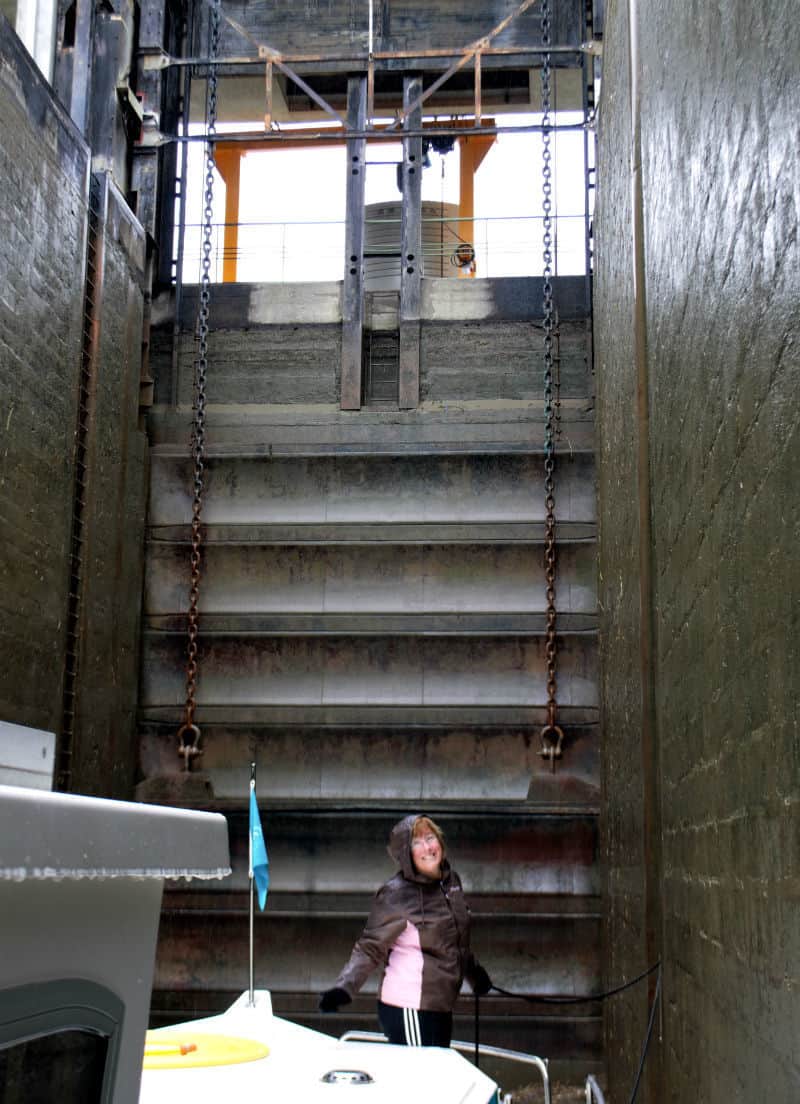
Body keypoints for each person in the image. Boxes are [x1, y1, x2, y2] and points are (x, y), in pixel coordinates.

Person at [318, 813, 491, 1047]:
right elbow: (370, 947)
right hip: (409, 1005)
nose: (427, 847)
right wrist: (343, 989)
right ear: (406, 855)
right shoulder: (396, 894)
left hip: (440, 1004)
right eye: (416, 843)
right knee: (420, 1078)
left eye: (430, 838)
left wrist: (475, 974)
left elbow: (454, 941)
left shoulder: (451, 883)